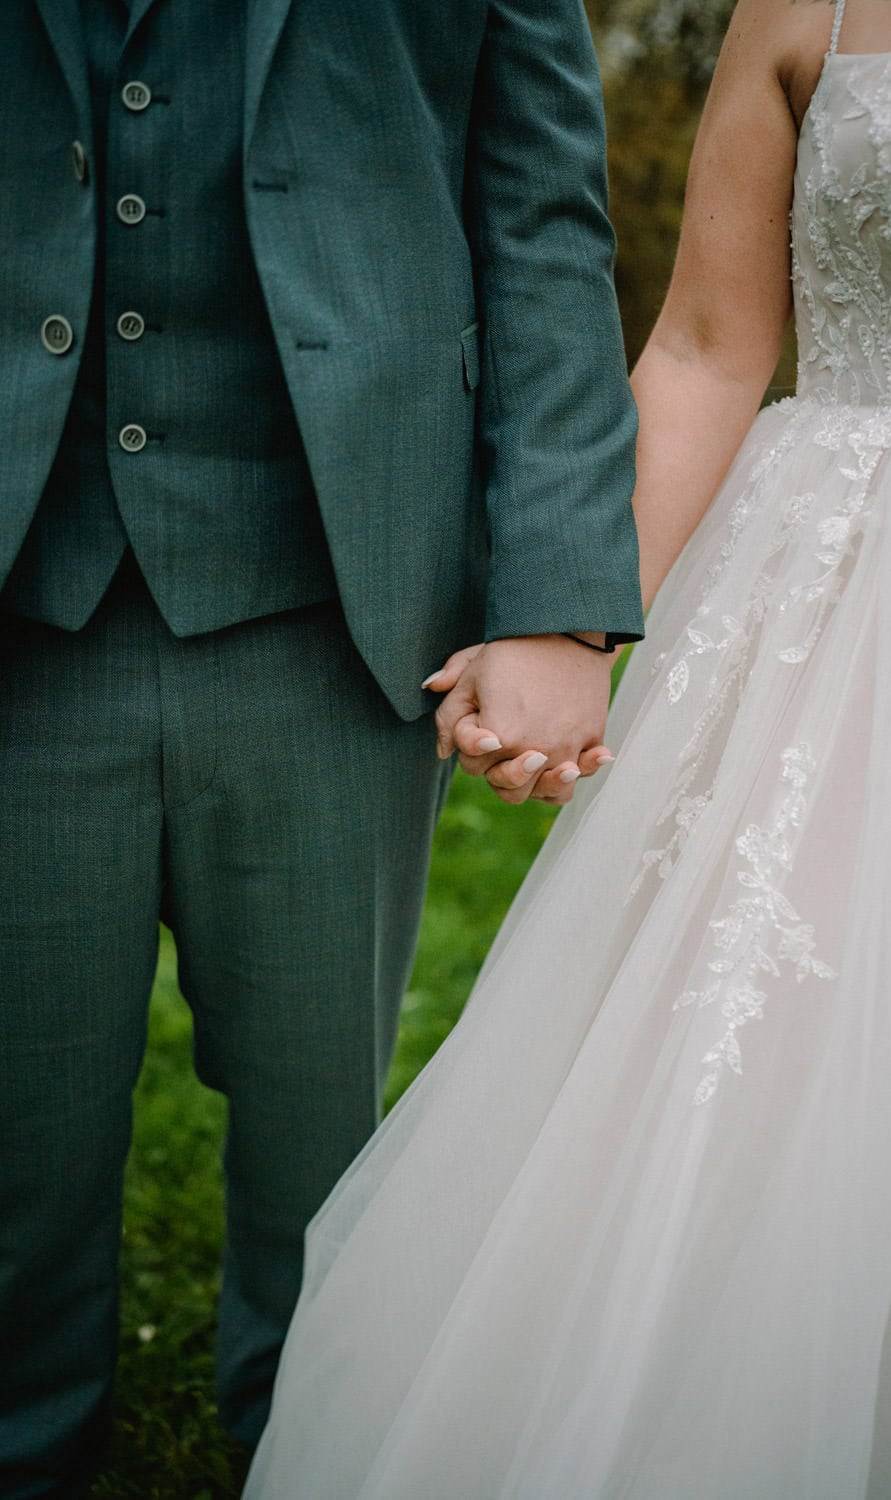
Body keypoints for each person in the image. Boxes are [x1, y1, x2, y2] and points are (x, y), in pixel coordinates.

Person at [244, 0, 891, 1494]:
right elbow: (711, 348)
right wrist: (571, 627)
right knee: (791, 1021)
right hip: (855, 614)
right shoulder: (813, 8)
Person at [0, 2, 644, 1494]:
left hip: (336, 598)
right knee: (15, 1143)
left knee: (321, 1145)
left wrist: (557, 599)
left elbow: (544, 221)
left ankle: (309, 1443)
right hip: (26, 597)